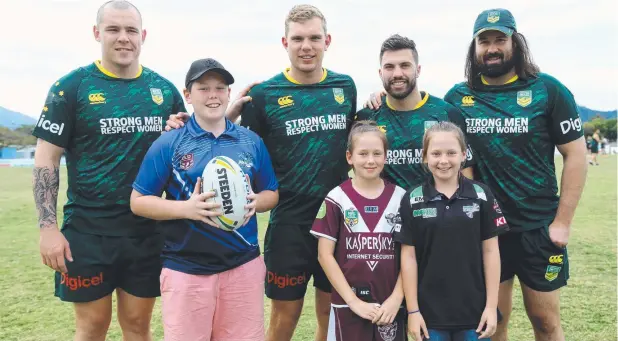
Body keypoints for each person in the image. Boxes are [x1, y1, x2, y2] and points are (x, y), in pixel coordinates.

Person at [165, 5, 357, 341]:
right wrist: (190, 125)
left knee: (331, 315)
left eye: (314, 38)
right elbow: (237, 147)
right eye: (298, 39)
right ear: (285, 42)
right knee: (284, 318)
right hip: (289, 226)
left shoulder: (346, 87)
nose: (307, 46)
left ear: (327, 40)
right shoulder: (265, 95)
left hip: (336, 221)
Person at [31, 1, 186, 340]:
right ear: (97, 33)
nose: (123, 38)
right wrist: (47, 228)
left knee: (137, 326)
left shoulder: (164, 91)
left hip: (145, 231)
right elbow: (46, 159)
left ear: (142, 36)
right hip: (87, 233)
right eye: (113, 29)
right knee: (92, 326)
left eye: (131, 30)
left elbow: (185, 153)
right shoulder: (71, 88)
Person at [442, 9, 587, 341]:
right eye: (484, 41)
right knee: (493, 322)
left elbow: (575, 155)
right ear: (474, 47)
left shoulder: (547, 90)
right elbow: (422, 114)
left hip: (539, 228)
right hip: (488, 231)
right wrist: (378, 99)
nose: (492, 48)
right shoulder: (458, 98)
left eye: (499, 40)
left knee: (545, 321)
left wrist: (562, 221)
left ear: (515, 43)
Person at [130, 58, 279, 341]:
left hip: (243, 267)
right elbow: (138, 201)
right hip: (186, 270)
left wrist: (254, 203)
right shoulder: (169, 142)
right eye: (204, 88)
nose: (213, 95)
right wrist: (186, 208)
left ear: (228, 93)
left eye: (220, 88)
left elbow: (271, 193)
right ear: (188, 95)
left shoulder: (250, 141)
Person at [396, 122, 507, 341]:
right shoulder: (412, 198)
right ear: (425, 156)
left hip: (475, 314)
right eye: (436, 153)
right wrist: (413, 311)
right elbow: (408, 257)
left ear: (464, 155)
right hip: (429, 316)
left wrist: (491, 306)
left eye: (451, 153)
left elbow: (491, 252)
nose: (443, 160)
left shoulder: (482, 195)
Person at [311, 120, 407, 341]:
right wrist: (353, 301)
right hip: (347, 305)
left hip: (390, 306)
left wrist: (396, 298)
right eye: (363, 154)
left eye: (377, 153)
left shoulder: (401, 198)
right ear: (349, 157)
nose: (370, 160)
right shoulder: (336, 198)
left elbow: (410, 255)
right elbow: (324, 255)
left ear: (386, 156)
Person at [356, 34, 474, 189]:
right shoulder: (367, 117)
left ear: (418, 70)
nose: (397, 73)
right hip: (385, 212)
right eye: (389, 67)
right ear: (380, 73)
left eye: (405, 65)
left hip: (437, 212)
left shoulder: (447, 114)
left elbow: (466, 175)